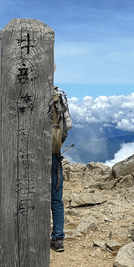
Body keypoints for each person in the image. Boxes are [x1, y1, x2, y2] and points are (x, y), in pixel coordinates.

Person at [49, 87, 72, 252]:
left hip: (28, 153)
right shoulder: (56, 96)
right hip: (52, 152)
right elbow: (65, 130)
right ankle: (58, 238)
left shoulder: (28, 93)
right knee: (56, 198)